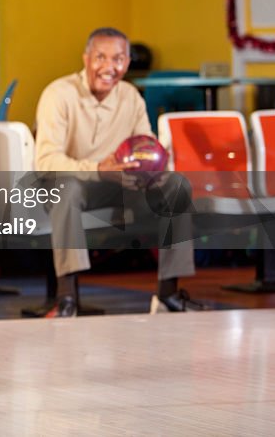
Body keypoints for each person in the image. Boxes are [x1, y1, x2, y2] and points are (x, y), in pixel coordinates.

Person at [33, 27, 203, 317]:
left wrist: (156, 163)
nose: (109, 67)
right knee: (68, 189)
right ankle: (67, 298)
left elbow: (144, 145)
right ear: (86, 59)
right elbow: (46, 161)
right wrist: (99, 169)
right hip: (66, 183)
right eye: (101, 57)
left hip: (118, 184)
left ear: (127, 63)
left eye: (119, 59)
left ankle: (168, 293)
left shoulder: (131, 97)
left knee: (175, 185)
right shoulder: (58, 94)